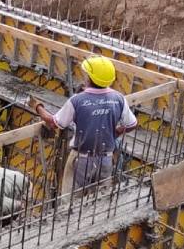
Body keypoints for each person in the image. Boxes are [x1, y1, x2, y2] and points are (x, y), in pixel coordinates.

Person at [31, 55, 137, 192]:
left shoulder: (77, 101)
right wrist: (114, 133)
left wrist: (38, 107)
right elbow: (132, 124)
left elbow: (54, 123)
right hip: (106, 159)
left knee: (71, 202)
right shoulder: (118, 99)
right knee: (99, 201)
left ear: (90, 78)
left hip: (81, 159)